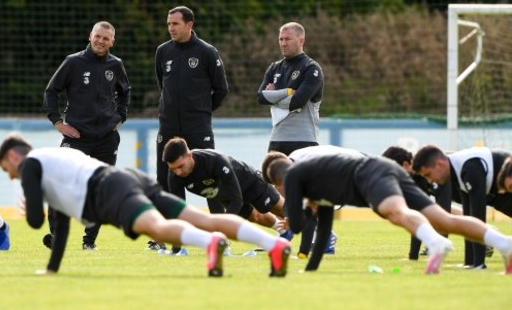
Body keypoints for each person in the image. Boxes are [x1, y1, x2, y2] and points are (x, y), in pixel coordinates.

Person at [0, 133, 291, 277]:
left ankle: (211, 244)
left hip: (108, 190)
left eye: (6, 169)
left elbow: (36, 221)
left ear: (13, 158)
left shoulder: (31, 166)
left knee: (159, 229)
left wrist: (29, 206)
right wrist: (52, 269)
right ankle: (273, 244)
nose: (10, 176)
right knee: (197, 217)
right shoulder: (51, 162)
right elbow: (58, 221)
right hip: (124, 178)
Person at [262, 148, 512, 274]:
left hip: (369, 173)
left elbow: (294, 223)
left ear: (279, 182)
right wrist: (310, 269)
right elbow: (325, 226)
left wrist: (301, 212)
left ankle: (434, 241)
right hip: (381, 168)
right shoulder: (314, 182)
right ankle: (504, 243)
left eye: (278, 189)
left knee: (395, 212)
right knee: (443, 218)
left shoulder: (294, 175)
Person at [43, 21, 131, 251]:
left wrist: (120, 117)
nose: (100, 41)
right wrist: (58, 122)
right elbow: (51, 91)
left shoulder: (116, 65)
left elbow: (125, 93)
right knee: (59, 182)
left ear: (112, 41)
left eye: (106, 38)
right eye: (97, 36)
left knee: (101, 188)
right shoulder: (73, 62)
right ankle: (55, 236)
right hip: (75, 137)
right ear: (90, 36)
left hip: (106, 138)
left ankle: (89, 241)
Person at [154, 6, 229, 251]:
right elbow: (162, 86)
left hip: (198, 128)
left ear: (189, 24)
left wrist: (201, 111)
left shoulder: (207, 52)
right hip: (168, 129)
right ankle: (173, 241)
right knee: (166, 182)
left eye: (175, 24)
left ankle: (220, 239)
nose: (171, 28)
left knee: (211, 181)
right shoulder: (163, 52)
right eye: (168, 24)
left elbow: (221, 90)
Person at [256, 22, 329, 259]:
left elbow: (299, 101)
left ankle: (323, 235)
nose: (283, 43)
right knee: (275, 191)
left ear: (301, 40)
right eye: (280, 39)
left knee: (306, 193)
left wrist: (276, 94)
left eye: (288, 39)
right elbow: (260, 97)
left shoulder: (312, 68)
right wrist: (288, 92)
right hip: (277, 139)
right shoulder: (275, 67)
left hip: (304, 140)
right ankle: (284, 235)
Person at [412, 144, 512, 269]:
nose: (429, 181)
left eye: (428, 174)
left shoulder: (469, 168)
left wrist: (480, 264)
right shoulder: (458, 171)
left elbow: (478, 217)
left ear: (439, 164)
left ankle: (479, 262)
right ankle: (472, 262)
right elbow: (468, 219)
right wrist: (469, 263)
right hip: (499, 192)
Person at [162, 137, 287, 234]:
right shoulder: (174, 174)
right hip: (226, 194)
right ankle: (283, 232)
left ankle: (306, 226)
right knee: (256, 217)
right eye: (173, 168)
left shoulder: (215, 160)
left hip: (249, 181)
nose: (178, 172)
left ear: (189, 156)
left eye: (180, 166)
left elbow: (237, 200)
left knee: (281, 209)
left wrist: (220, 227)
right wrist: (176, 249)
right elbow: (178, 208)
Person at [382, 146, 456, 261]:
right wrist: (413, 256)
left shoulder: (433, 168)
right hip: (459, 192)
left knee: (446, 213)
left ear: (406, 164)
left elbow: (444, 214)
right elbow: (419, 213)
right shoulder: (416, 177)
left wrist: (437, 256)